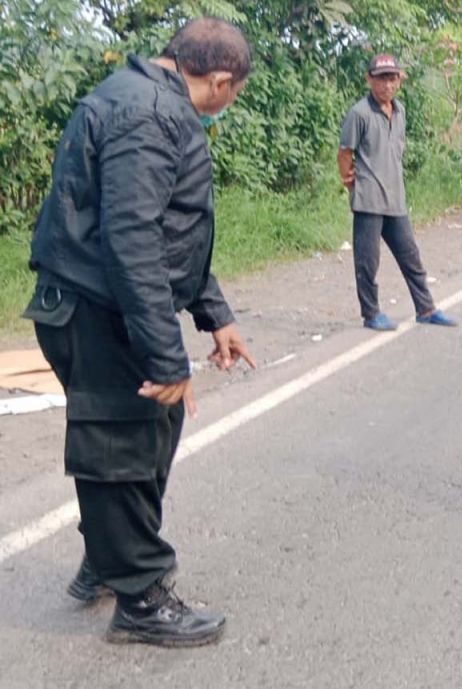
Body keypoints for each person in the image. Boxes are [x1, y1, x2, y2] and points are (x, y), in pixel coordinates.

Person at [24, 17, 256, 646]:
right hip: (95, 310)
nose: (225, 107)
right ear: (219, 80)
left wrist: (216, 314)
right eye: (231, 95)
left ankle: (108, 555)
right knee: (124, 446)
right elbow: (132, 240)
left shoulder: (134, 95)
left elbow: (172, 229)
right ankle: (142, 599)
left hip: (95, 304)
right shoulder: (154, 115)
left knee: (149, 432)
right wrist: (166, 357)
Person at [338, 54, 457, 331]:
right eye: (381, 79)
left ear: (399, 81)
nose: (387, 85)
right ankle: (371, 314)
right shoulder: (359, 113)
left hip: (396, 198)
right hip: (369, 199)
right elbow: (345, 152)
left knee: (411, 257)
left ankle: (425, 309)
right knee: (367, 263)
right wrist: (349, 182)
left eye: (392, 79)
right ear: (370, 80)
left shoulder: (400, 111)